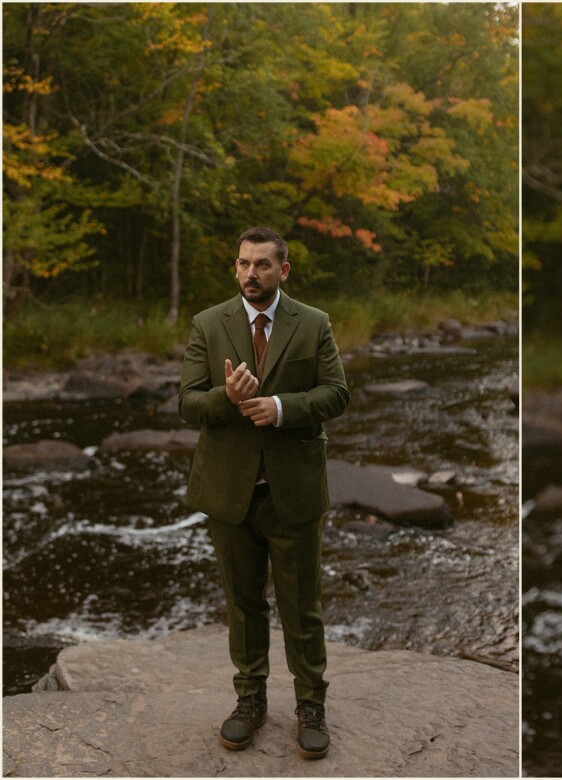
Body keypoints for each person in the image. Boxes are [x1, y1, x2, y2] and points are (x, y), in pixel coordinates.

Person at [179, 226, 349, 759]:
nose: (251, 273)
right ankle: (250, 700)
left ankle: (311, 704)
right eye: (243, 264)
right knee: (243, 603)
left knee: (303, 607)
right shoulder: (209, 323)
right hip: (229, 490)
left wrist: (280, 408)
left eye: (262, 265)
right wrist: (227, 398)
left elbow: (338, 393)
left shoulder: (313, 323)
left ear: (284, 270)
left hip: (292, 490)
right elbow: (187, 402)